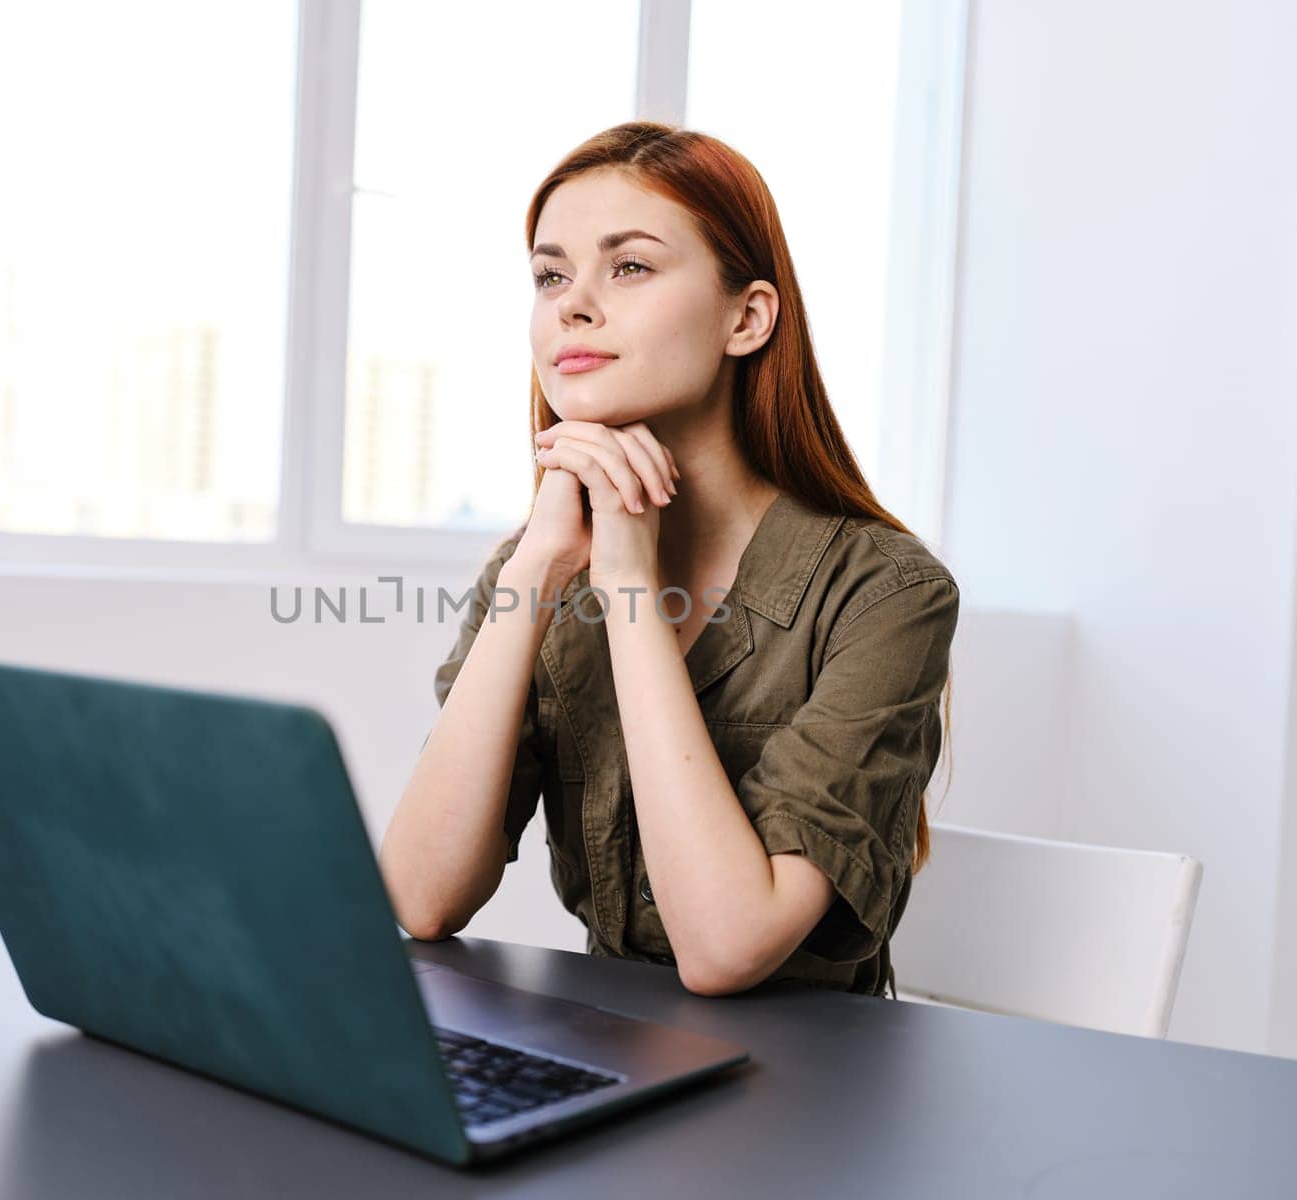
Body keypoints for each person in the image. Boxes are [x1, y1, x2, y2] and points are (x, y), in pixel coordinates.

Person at [379, 121, 959, 999]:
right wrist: (535, 574)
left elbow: (728, 949)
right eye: (550, 275)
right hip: (607, 1062)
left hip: (806, 1096)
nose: (573, 304)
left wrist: (628, 589)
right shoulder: (532, 566)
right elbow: (421, 899)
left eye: (631, 266)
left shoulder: (887, 593)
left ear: (747, 316)